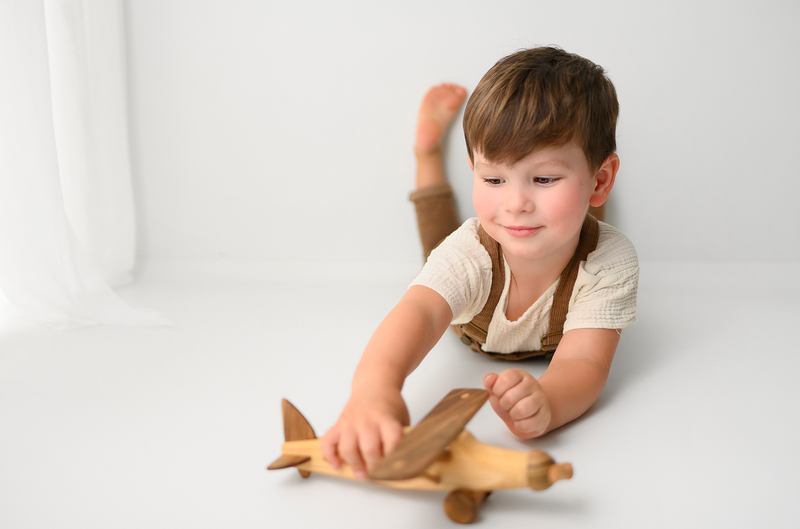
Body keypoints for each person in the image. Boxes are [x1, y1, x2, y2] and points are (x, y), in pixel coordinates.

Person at [320, 47, 639, 479]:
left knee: (579, 224)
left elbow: (584, 363)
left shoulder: (610, 261)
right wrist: (374, 391)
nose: (515, 204)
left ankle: (577, 195)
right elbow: (420, 311)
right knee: (437, 238)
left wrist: (548, 402)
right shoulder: (470, 251)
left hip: (579, 224)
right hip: (471, 309)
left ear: (602, 178)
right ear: (474, 170)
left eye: (543, 178)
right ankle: (427, 156)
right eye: (492, 179)